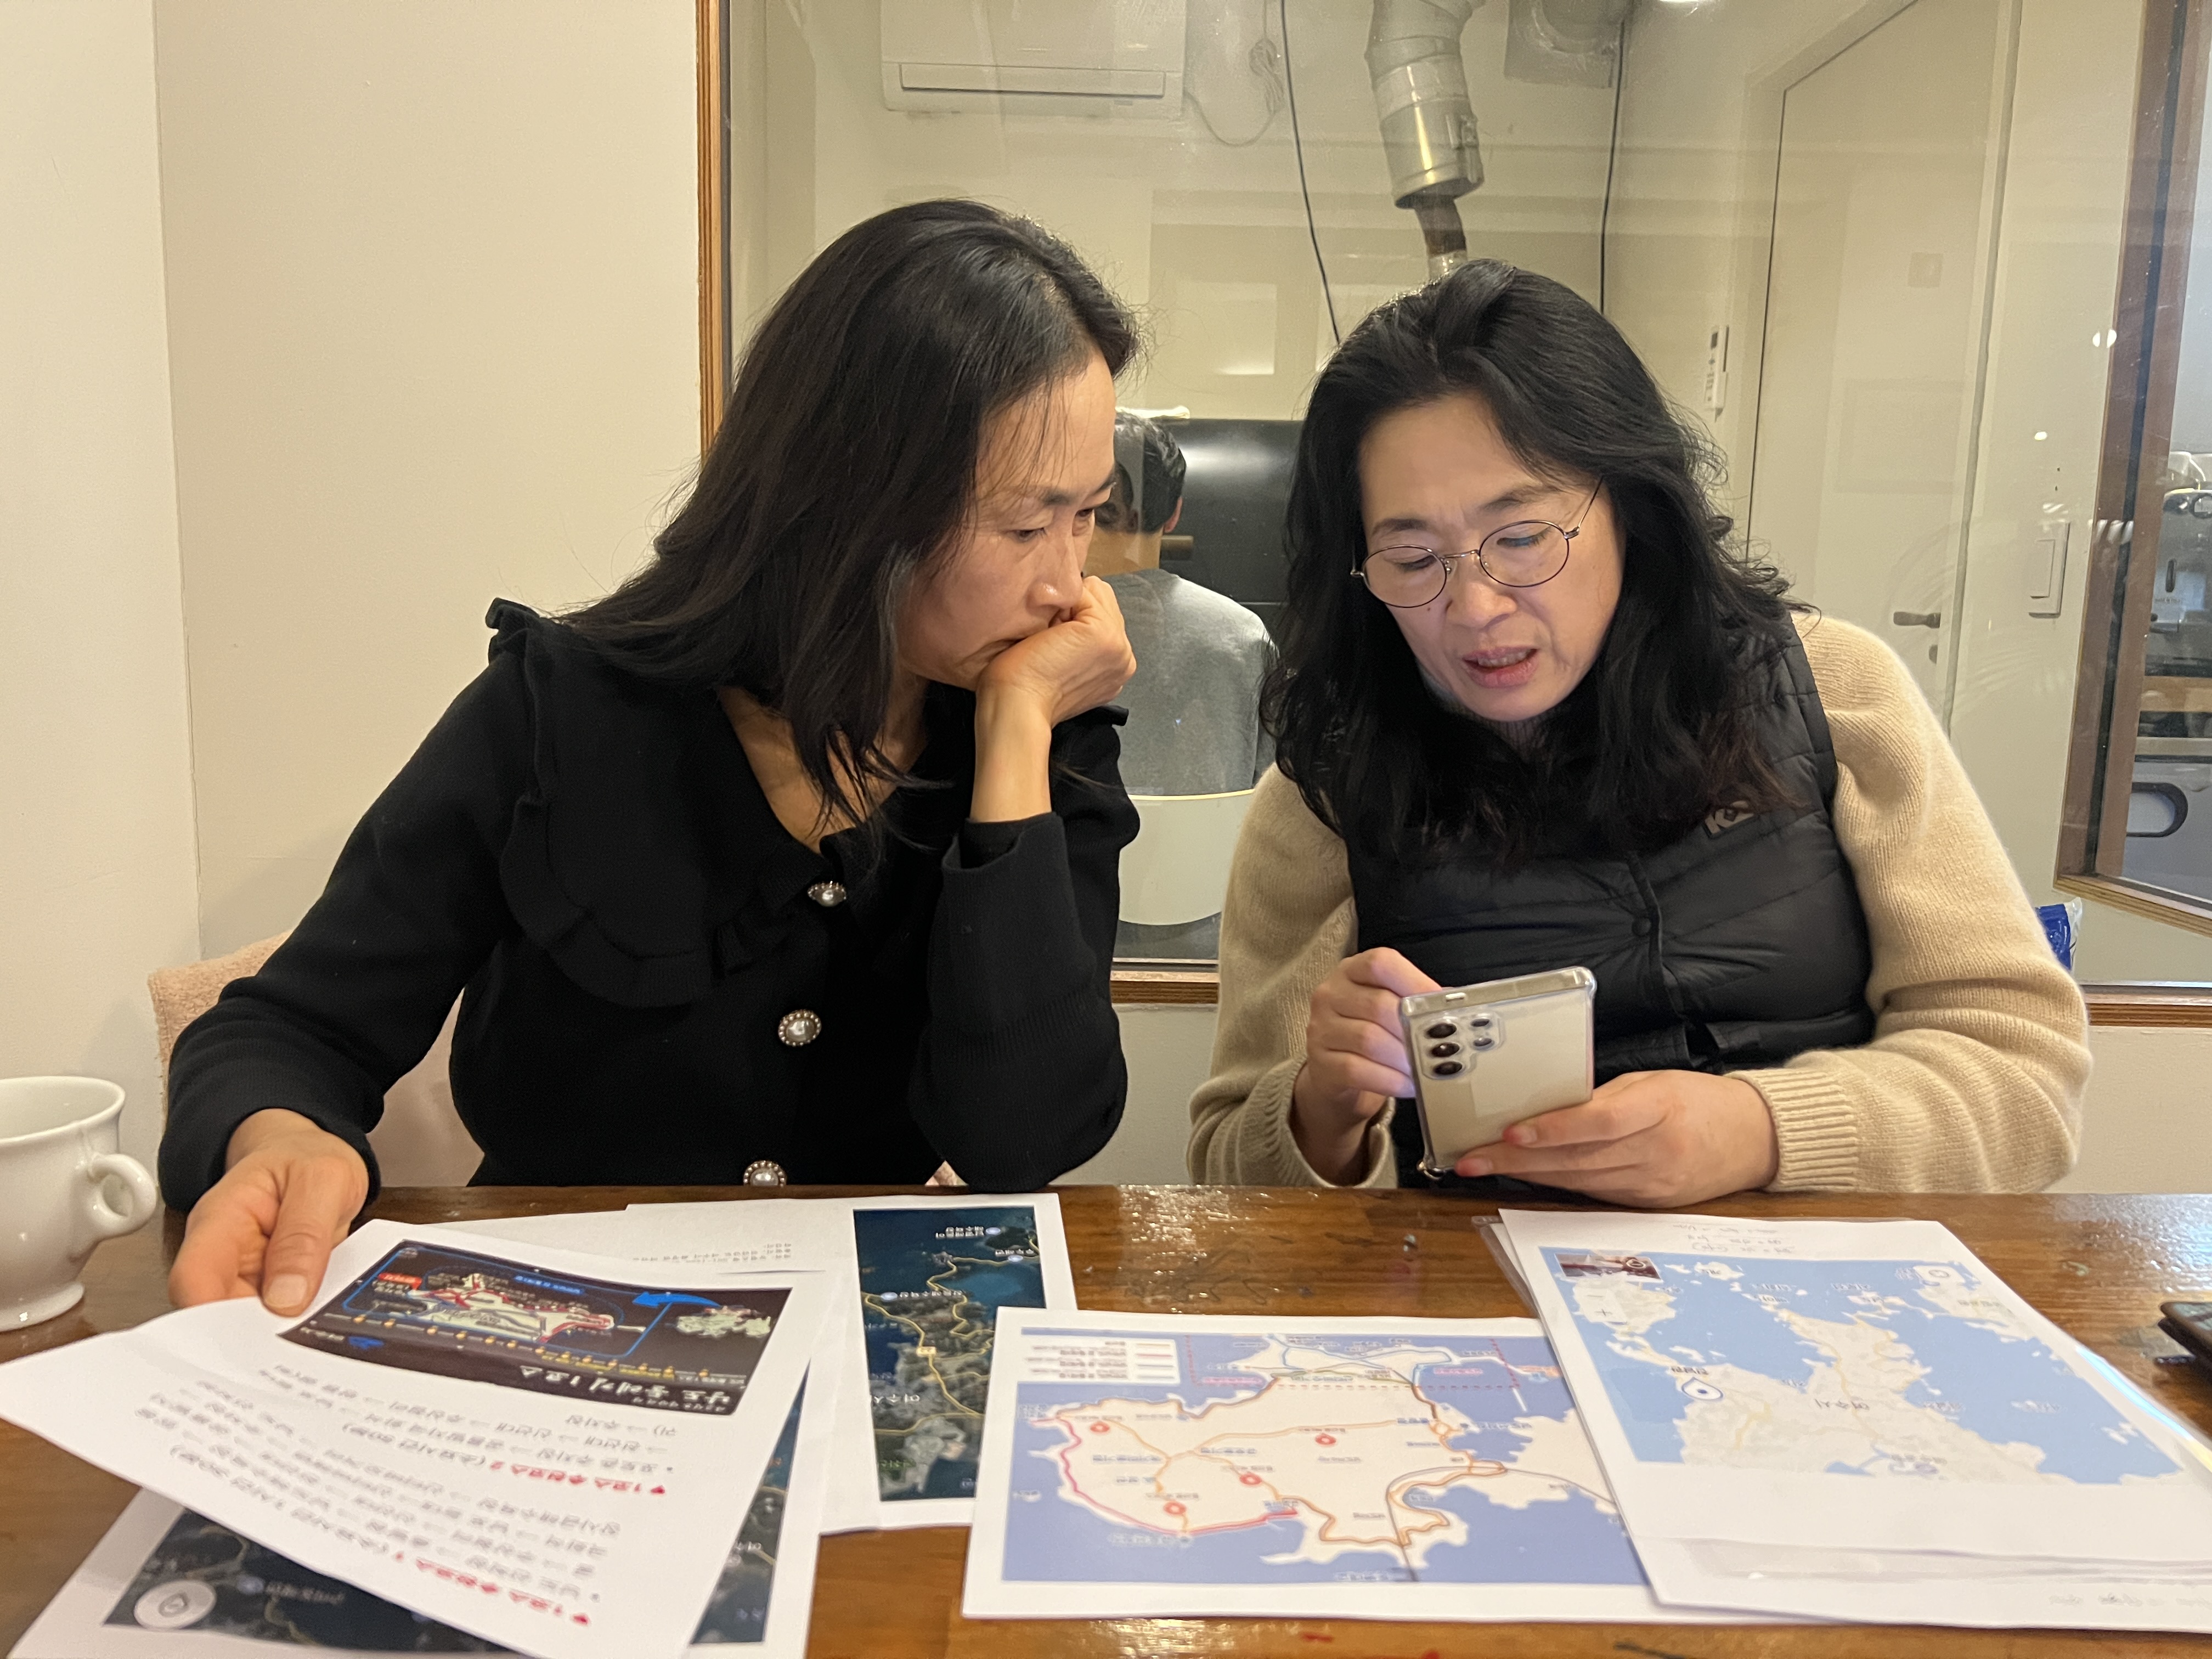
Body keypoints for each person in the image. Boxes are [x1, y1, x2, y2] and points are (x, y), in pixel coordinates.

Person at [163, 200, 1142, 1313]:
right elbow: (288, 1028)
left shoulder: (1045, 728)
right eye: (1026, 526)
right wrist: (280, 1134)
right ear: (856, 503)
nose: (1067, 583)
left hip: (853, 1336)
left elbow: (1022, 1138)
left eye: (1087, 516)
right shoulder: (560, 709)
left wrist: (1015, 737)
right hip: (546, 1326)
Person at [1188, 261, 2089, 1203]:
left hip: (1824, 1275)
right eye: (1413, 558)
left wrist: (1759, 1131)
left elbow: (2024, 1081)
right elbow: (1223, 1169)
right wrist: (1320, 1111)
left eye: (1523, 537)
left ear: (1631, 506)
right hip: (1482, 1282)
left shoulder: (1836, 690)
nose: (1476, 607)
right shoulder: (1327, 791)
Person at [1085, 413, 1273, 958]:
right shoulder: (1243, 636)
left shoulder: (1033, 632)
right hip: (1210, 936)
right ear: (1173, 515)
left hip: (1066, 915)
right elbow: (1271, 793)